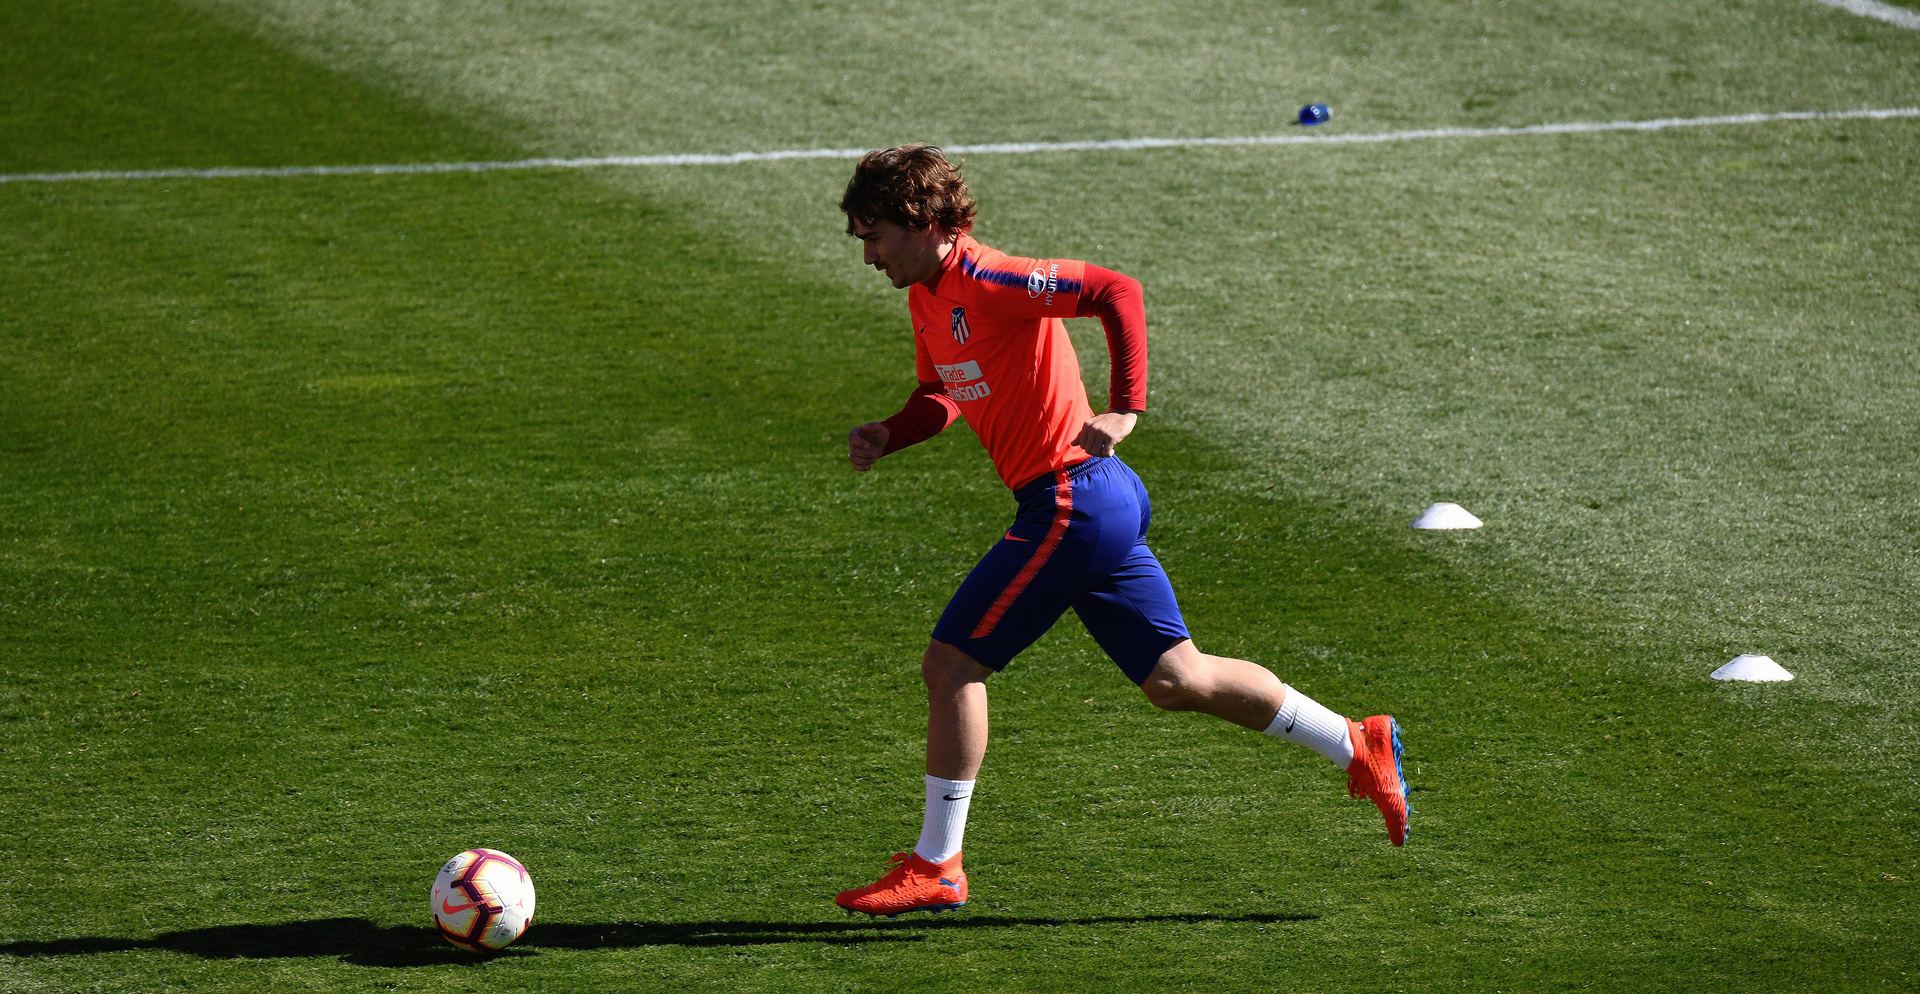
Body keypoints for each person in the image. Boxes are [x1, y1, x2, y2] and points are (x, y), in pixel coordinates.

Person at [832, 145, 1409, 918]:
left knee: (951, 665)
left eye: (875, 236)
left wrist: (1125, 405)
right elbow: (944, 392)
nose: (868, 256)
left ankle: (938, 863)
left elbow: (1115, 290)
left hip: (1070, 499)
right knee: (1178, 680)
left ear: (924, 221)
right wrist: (891, 433)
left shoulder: (990, 278)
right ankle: (1357, 742)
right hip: (1090, 503)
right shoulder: (928, 301)